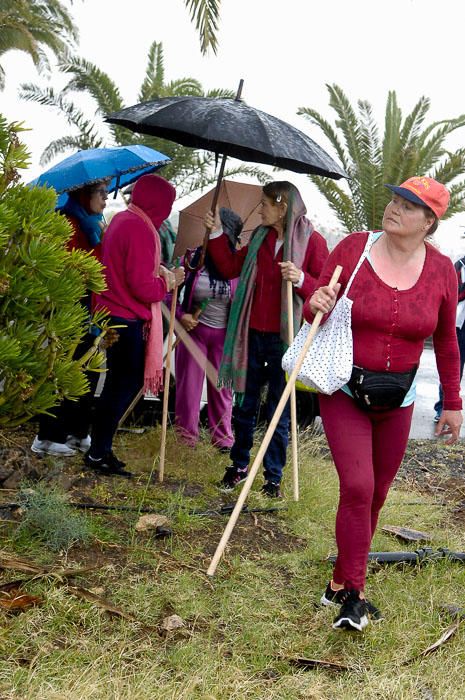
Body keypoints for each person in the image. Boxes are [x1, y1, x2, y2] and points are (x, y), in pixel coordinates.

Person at [305, 176, 463, 632]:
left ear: (429, 223)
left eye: (408, 206)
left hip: (401, 398)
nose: (394, 208)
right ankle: (354, 595)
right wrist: (315, 298)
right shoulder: (354, 250)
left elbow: (446, 339)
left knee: (376, 494)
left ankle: (337, 581)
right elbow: (317, 298)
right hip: (344, 389)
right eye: (394, 199)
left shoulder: (441, 271)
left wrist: (452, 401)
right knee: (357, 485)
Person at [206, 181, 329, 497]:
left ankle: (272, 478)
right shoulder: (260, 238)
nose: (260, 210)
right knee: (245, 407)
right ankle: (238, 467)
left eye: (265, 204)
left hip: (285, 340)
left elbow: (327, 290)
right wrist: (218, 232)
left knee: (278, 411)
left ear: (282, 207)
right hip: (252, 336)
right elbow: (231, 266)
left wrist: (300, 278)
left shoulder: (312, 243)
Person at [86, 174, 184, 477]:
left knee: (117, 384)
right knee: (122, 386)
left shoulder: (122, 219)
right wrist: (169, 283)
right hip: (124, 316)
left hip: (109, 312)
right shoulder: (140, 228)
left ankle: (100, 449)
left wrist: (161, 275)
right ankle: (97, 452)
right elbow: (143, 287)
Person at [31, 180, 109, 457]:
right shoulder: (69, 224)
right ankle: (48, 436)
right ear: (84, 194)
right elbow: (84, 268)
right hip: (69, 310)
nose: (106, 199)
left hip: (88, 312)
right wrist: (103, 246)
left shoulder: (91, 224)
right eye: (101, 192)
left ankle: (78, 432)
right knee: (64, 372)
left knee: (86, 371)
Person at [175, 208, 241, 450]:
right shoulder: (192, 260)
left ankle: (223, 440)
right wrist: (181, 316)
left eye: (218, 228)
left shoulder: (238, 264)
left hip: (224, 337)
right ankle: (185, 440)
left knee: (222, 389)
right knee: (188, 389)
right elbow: (167, 292)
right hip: (194, 334)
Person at [433, 253, 465, 422]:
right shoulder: (460, 264)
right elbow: (453, 294)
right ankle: (443, 407)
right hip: (459, 324)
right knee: (454, 370)